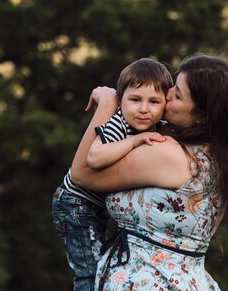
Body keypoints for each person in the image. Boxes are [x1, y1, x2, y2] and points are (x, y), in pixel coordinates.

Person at [70, 54, 228, 291]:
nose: (166, 95)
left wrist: (107, 104)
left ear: (202, 115)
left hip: (149, 281)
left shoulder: (169, 154)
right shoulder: (218, 157)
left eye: (177, 95)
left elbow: (80, 174)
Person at [52, 58, 174, 291]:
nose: (143, 109)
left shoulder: (159, 126)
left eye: (154, 102)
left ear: (164, 104)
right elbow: (95, 157)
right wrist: (133, 141)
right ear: (121, 100)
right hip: (76, 204)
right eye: (135, 100)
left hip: (99, 207)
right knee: (89, 271)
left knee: (104, 268)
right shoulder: (119, 123)